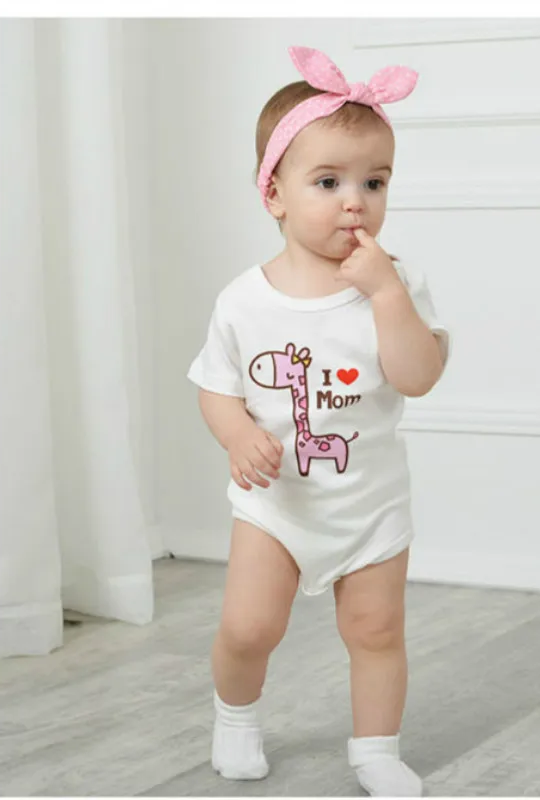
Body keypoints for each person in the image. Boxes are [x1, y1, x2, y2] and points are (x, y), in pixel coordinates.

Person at [187, 45, 450, 797]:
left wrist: (387, 295)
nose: (354, 201)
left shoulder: (395, 285)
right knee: (249, 628)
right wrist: (238, 435)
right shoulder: (245, 300)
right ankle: (235, 719)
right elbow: (215, 387)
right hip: (278, 505)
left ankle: (376, 749)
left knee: (376, 631)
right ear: (273, 192)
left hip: (369, 504)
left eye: (375, 182)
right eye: (328, 182)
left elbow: (418, 375)